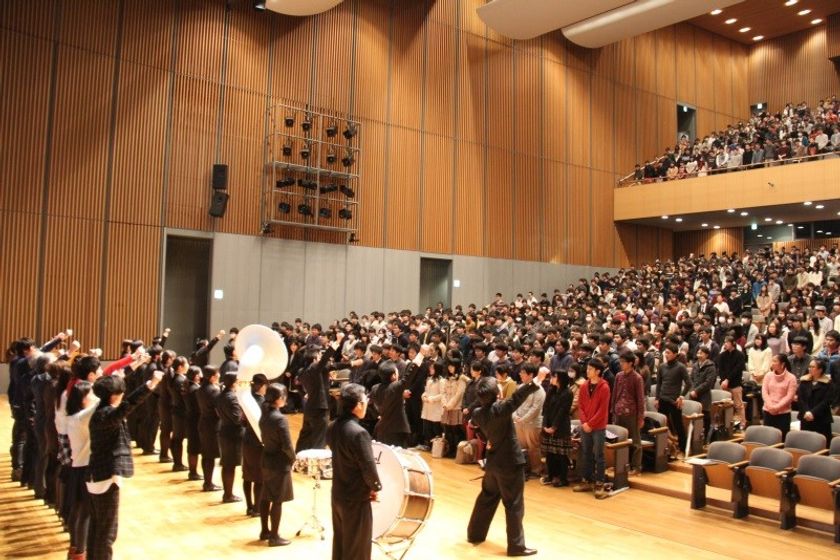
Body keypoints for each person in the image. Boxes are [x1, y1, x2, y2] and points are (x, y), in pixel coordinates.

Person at [466, 366, 547, 557]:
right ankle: (516, 546)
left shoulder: (477, 413)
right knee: (514, 504)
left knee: (486, 497)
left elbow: (474, 426)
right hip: (510, 463)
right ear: (498, 393)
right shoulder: (502, 409)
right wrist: (539, 379)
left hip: (492, 463)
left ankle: (475, 534)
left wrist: (488, 440)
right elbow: (519, 396)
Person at [86, 369, 163, 560]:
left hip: (98, 475)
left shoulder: (101, 410)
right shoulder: (106, 414)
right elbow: (130, 404)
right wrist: (151, 384)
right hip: (105, 476)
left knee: (97, 527)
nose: (123, 395)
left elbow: (126, 404)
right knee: (107, 532)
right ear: (114, 396)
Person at [327, 383, 382, 560]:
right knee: (358, 548)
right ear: (358, 405)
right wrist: (375, 487)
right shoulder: (359, 433)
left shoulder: (332, 427)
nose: (367, 403)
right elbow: (368, 466)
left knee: (341, 543)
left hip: (338, 493)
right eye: (365, 399)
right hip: (356, 497)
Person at [258, 383, 296, 547]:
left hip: (266, 458)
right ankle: (274, 536)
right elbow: (287, 445)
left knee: (266, 496)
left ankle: (265, 531)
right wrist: (294, 459)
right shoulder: (280, 419)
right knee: (277, 500)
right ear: (280, 398)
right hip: (279, 463)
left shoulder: (264, 414)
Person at [296, 333, 344, 452]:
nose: (320, 356)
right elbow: (325, 358)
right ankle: (317, 461)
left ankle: (298, 457)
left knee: (305, 436)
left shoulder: (302, 372)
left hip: (309, 408)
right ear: (315, 358)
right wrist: (337, 341)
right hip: (320, 409)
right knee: (319, 439)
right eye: (319, 354)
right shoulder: (314, 368)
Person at [573, 358, 611, 499]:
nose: (587, 371)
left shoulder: (604, 387)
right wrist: (584, 422)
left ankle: (599, 483)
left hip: (598, 426)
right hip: (585, 425)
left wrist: (591, 424)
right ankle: (586, 480)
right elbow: (581, 406)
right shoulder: (584, 386)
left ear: (598, 371)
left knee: (599, 455)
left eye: (590, 369)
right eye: (587, 368)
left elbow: (602, 410)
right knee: (586, 453)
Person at [612, 352, 645, 475]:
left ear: (631, 363)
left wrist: (640, 417)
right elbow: (615, 394)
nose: (621, 364)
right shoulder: (618, 376)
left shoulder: (637, 378)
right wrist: (613, 409)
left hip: (632, 413)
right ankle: (619, 465)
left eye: (623, 362)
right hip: (619, 411)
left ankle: (636, 467)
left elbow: (640, 399)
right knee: (619, 440)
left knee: (635, 441)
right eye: (620, 361)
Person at [655, 343, 691, 453]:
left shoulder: (680, 367)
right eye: (665, 352)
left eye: (669, 353)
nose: (666, 355)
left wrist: (681, 396)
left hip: (674, 400)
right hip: (662, 399)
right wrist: (657, 398)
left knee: (678, 425)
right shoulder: (662, 366)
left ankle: (683, 448)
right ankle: (665, 447)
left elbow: (689, 383)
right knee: (661, 425)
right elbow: (658, 384)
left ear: (675, 354)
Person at [512, 363, 545, 480]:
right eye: (521, 372)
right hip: (518, 421)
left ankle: (536, 470)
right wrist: (515, 416)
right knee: (521, 446)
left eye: (523, 373)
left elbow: (535, 409)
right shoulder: (520, 387)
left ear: (531, 375)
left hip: (532, 424)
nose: (520, 374)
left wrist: (523, 419)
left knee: (533, 447)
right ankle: (524, 469)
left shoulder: (539, 390)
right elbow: (514, 403)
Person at [216, 371, 245, 503]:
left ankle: (227, 494)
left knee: (227, 464)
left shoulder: (220, 395)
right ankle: (228, 495)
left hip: (224, 430)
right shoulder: (232, 397)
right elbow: (237, 419)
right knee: (230, 465)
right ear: (234, 383)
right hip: (233, 434)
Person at [540, 371, 573, 487]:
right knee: (550, 453)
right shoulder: (551, 390)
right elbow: (545, 408)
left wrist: (554, 427)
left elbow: (562, 412)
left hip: (561, 427)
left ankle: (563, 478)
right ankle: (551, 476)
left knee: (561, 455)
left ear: (561, 378)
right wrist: (545, 425)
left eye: (554, 376)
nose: (552, 378)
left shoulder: (568, 393)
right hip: (548, 425)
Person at [243, 374, 268, 517]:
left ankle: (249, 507)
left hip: (247, 438)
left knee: (247, 475)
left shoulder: (247, 399)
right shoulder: (263, 403)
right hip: (258, 442)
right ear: (263, 386)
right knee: (259, 477)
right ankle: (257, 508)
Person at [797, 359, 834, 445]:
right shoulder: (804, 381)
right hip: (805, 417)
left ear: (820, 369)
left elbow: (826, 401)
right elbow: (801, 399)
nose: (809, 369)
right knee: (806, 443)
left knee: (821, 444)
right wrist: (806, 412)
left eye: (813, 367)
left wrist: (812, 413)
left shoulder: (828, 383)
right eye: (809, 366)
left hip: (821, 418)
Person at [197, 365, 221, 492]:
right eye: (217, 374)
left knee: (206, 454)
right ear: (212, 377)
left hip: (203, 422)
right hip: (212, 425)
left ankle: (207, 481)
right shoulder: (214, 390)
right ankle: (208, 483)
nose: (219, 376)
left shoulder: (201, 388)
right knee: (210, 456)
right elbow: (218, 411)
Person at [761, 354, 798, 440]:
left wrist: (776, 407)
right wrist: (770, 406)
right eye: (772, 361)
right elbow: (764, 392)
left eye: (775, 361)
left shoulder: (791, 378)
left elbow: (789, 396)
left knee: (781, 439)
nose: (772, 363)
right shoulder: (768, 375)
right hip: (768, 411)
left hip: (783, 414)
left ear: (782, 364)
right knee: (767, 438)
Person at [182, 365, 203, 481]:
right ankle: (193, 472)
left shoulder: (188, 386)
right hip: (195, 419)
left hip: (190, 418)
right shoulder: (195, 389)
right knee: (194, 448)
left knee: (192, 447)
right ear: (196, 376)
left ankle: (193, 471)